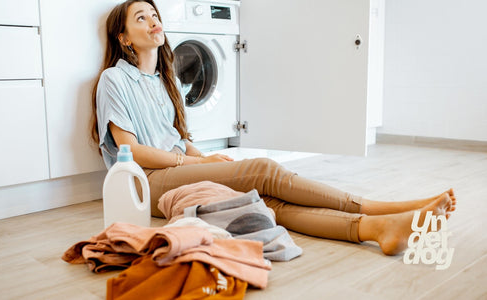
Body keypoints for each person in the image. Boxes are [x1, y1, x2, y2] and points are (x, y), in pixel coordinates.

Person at [90, 0, 456, 256]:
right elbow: (130, 151)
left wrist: (204, 158)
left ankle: (376, 229)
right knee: (261, 170)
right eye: (141, 18)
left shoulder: (162, 81)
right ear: (123, 38)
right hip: (145, 182)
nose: (154, 21)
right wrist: (196, 166)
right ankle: (383, 208)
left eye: (155, 14)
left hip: (175, 168)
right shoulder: (114, 79)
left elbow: (179, 141)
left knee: (265, 203)